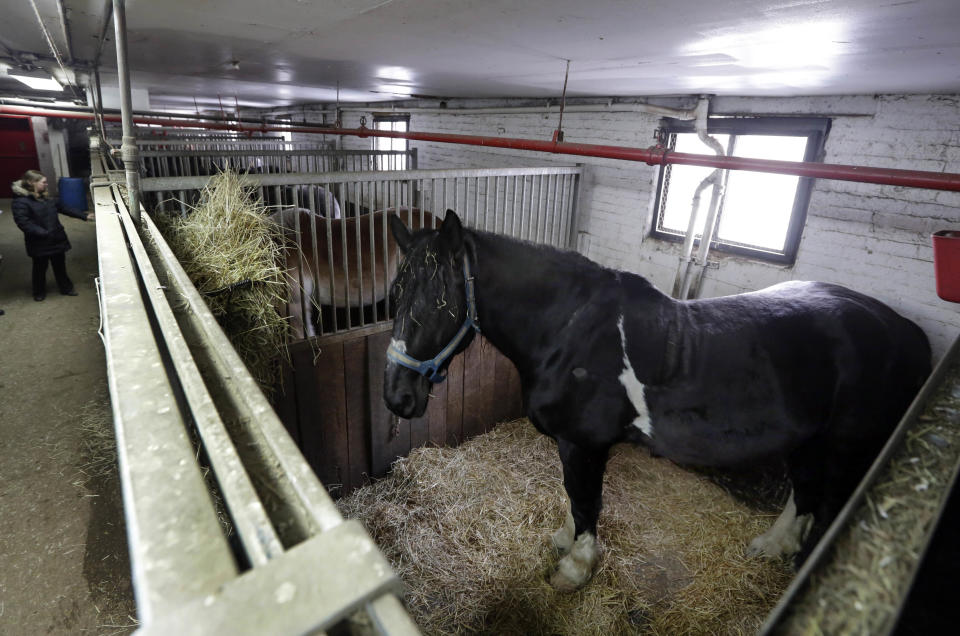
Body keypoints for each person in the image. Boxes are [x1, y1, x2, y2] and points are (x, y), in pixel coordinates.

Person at [11, 170, 94, 301]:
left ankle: (66, 288)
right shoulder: (21, 202)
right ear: (31, 182)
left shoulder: (47, 198)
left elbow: (65, 208)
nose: (46, 184)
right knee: (40, 268)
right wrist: (43, 233)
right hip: (39, 242)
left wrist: (84, 216)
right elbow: (24, 222)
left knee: (60, 265)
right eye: (43, 182)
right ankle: (39, 292)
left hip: (56, 238)